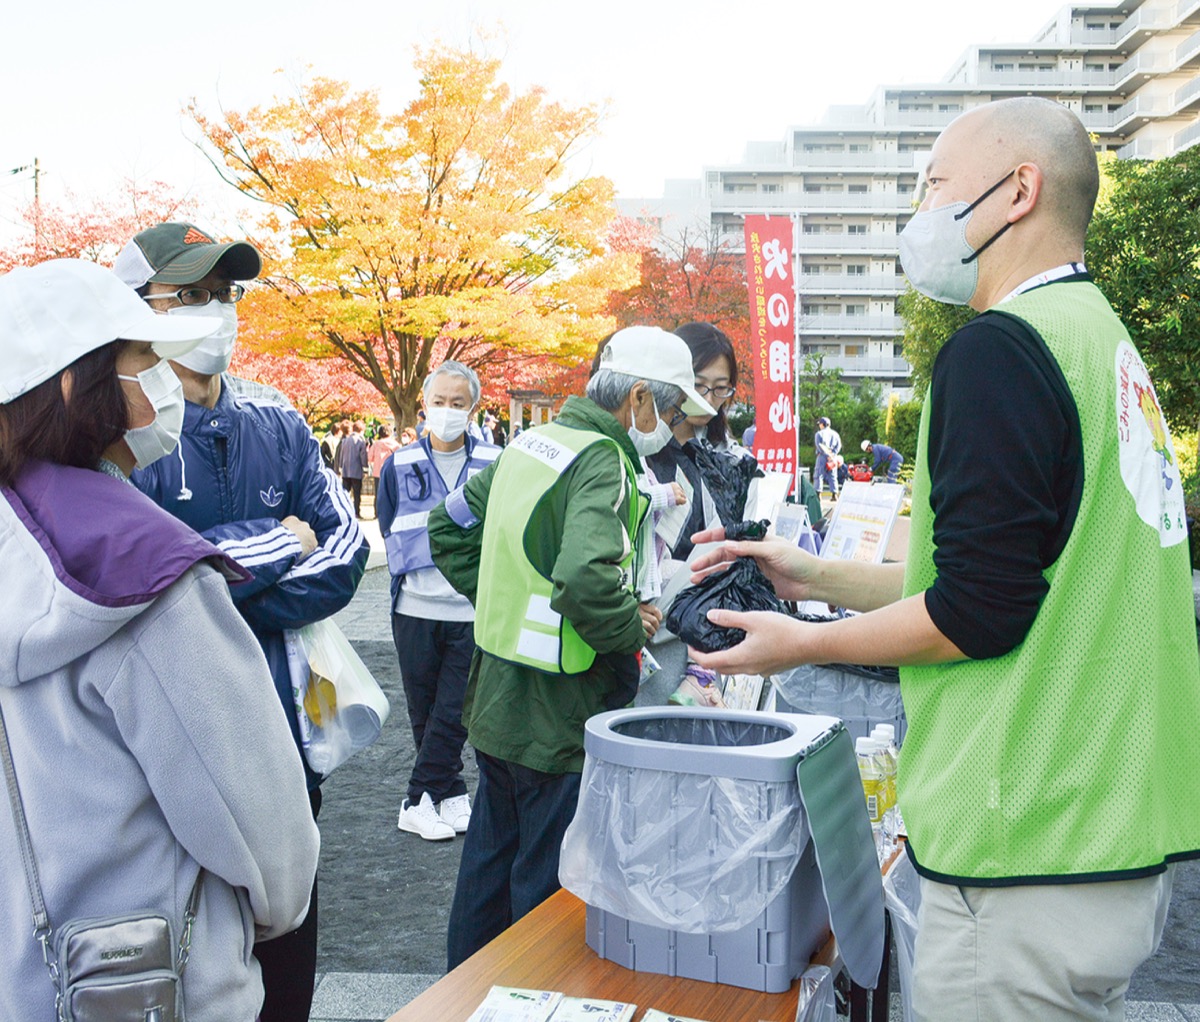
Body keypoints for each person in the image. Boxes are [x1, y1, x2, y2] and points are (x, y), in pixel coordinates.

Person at [689, 97, 1199, 1022]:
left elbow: (974, 614)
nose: (921, 214)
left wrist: (797, 647)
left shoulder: (1000, 351)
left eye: (934, 186)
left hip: (1024, 845)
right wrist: (815, 580)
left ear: (1018, 192)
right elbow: (1009, 574)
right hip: (1108, 832)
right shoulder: (1102, 343)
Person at [0, 259, 319, 1021]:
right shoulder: (150, 573)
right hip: (151, 979)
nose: (161, 381)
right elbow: (265, 833)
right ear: (76, 384)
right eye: (142, 361)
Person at [115, 221, 369, 1022]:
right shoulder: (117, 439)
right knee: (186, 978)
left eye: (225, 294)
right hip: (165, 761)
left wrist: (215, 573)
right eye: (189, 294)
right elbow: (140, 587)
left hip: (285, 746)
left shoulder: (280, 423)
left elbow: (344, 554)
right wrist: (274, 545)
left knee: (288, 969)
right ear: (136, 309)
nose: (216, 311)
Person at [429, 325, 714, 968]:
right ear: (637, 398)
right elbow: (587, 576)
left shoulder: (533, 443)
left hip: (497, 693)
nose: (669, 427)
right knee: (543, 880)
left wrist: (506, 590)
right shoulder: (603, 459)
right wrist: (629, 631)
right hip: (559, 703)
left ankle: (464, 998)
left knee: (487, 862)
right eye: (668, 412)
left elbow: (448, 524)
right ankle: (530, 999)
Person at [379, 362, 500, 842]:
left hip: (470, 608)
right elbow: (389, 520)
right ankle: (448, 795)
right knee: (425, 712)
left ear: (473, 408)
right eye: (439, 402)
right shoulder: (399, 463)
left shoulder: (496, 460)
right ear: (424, 404)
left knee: (456, 711)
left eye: (457, 403)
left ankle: (415, 799)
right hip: (414, 607)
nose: (447, 411)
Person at [645, 322, 758, 563]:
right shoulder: (643, 449)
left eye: (720, 388)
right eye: (697, 385)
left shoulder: (730, 457)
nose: (707, 398)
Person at [336, 419, 369, 517]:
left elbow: (341, 455)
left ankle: (344, 511)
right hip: (356, 471)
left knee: (345, 493)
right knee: (357, 493)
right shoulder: (360, 441)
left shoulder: (345, 441)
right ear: (361, 430)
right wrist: (365, 470)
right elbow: (363, 456)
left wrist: (341, 467)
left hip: (346, 471)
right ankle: (356, 512)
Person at [813, 415, 842, 497]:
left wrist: (826, 454)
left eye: (820, 424)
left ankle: (818, 494)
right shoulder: (835, 434)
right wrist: (833, 454)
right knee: (833, 475)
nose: (819, 426)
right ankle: (834, 495)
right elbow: (839, 445)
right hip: (832, 457)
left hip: (822, 456)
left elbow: (819, 445)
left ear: (822, 424)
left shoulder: (819, 434)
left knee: (819, 475)